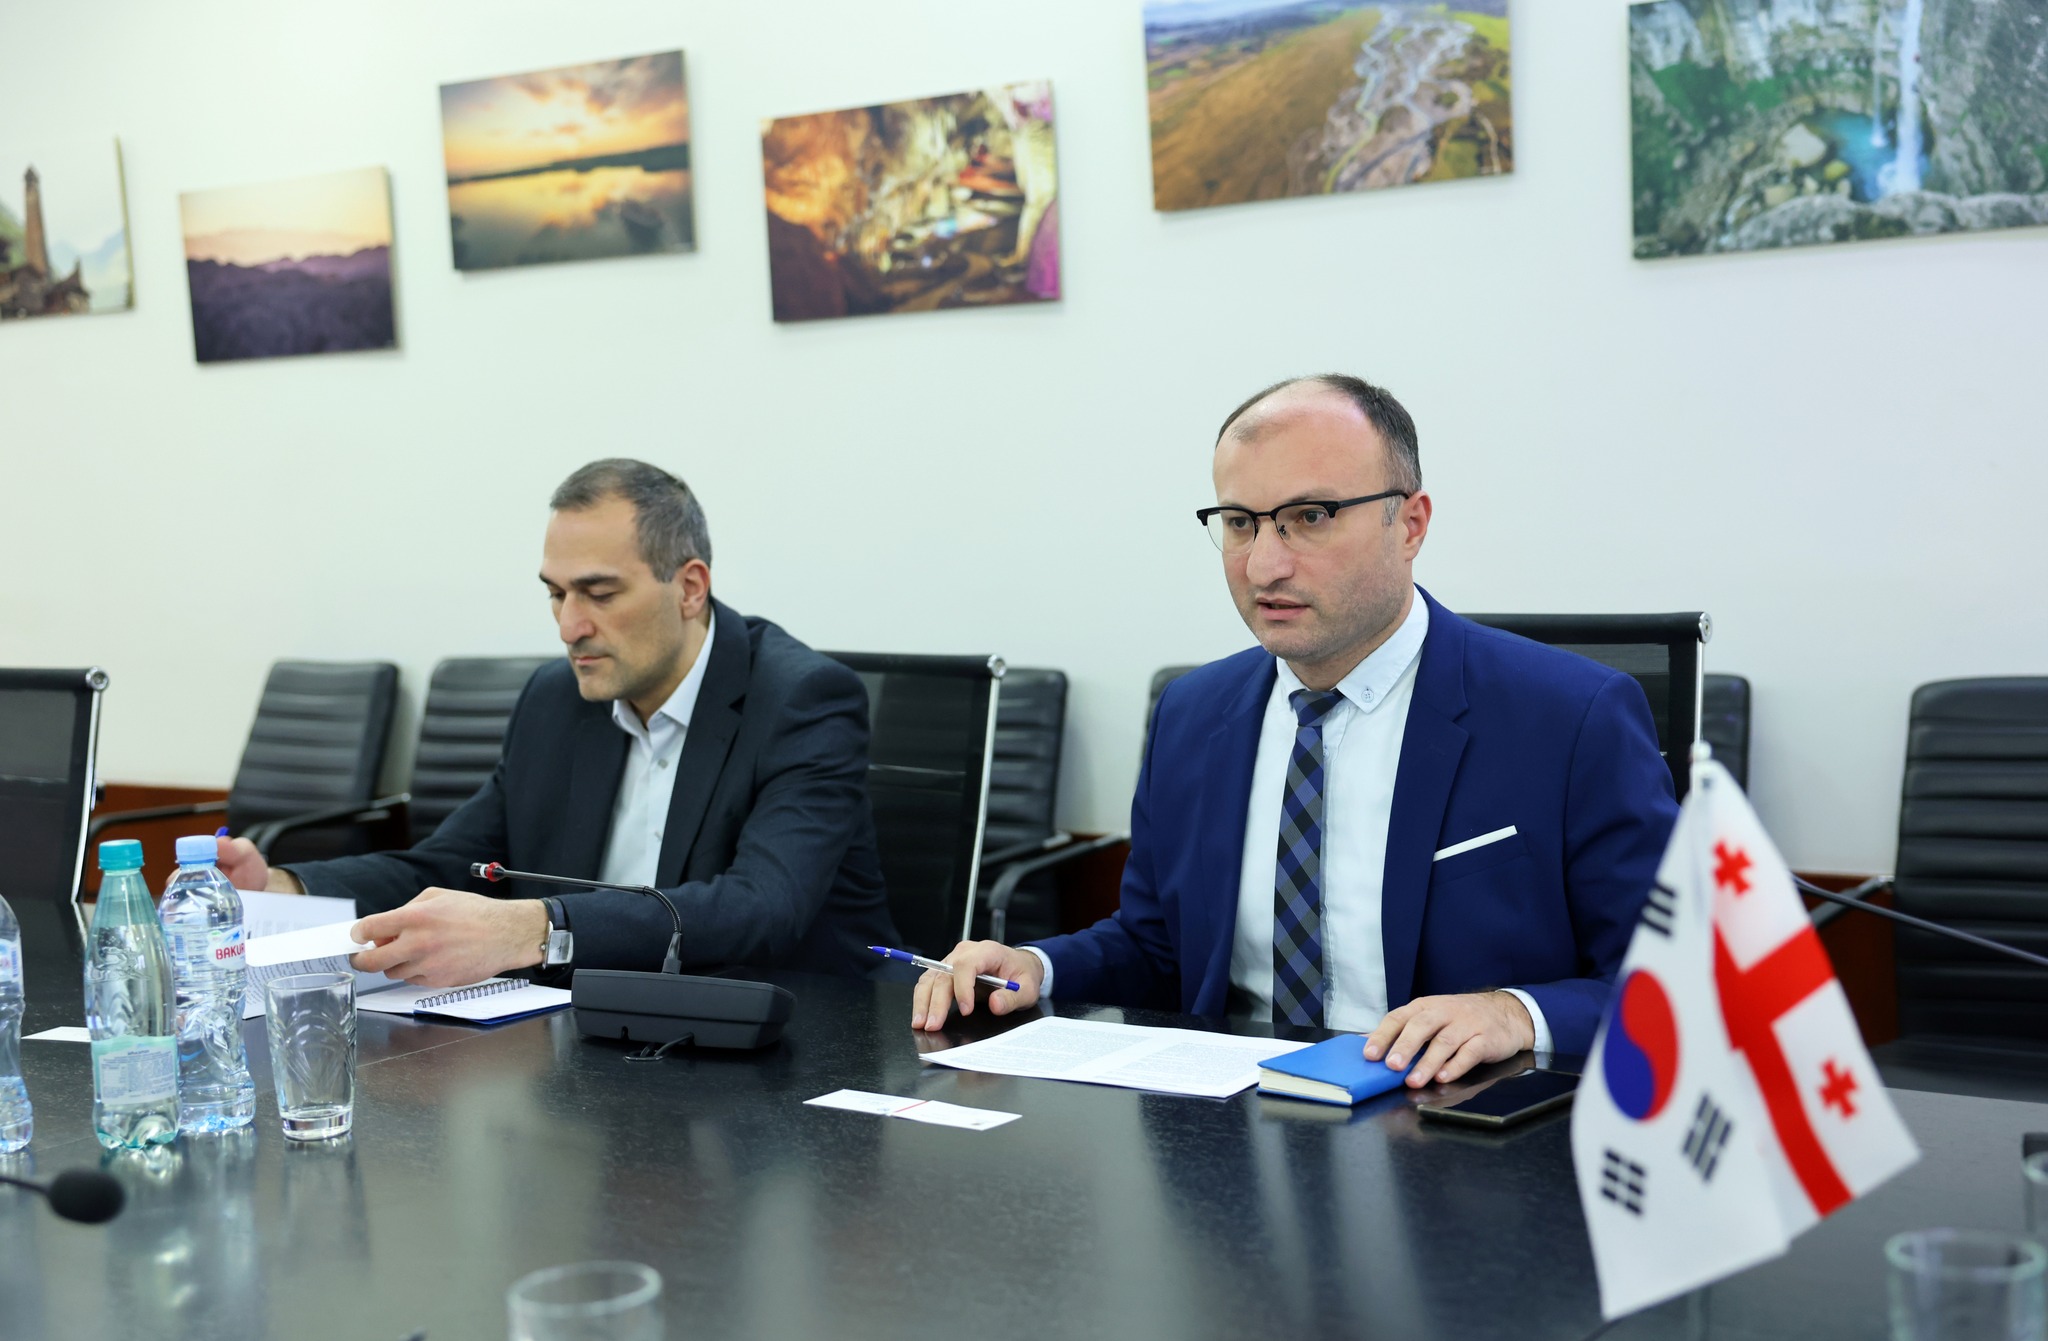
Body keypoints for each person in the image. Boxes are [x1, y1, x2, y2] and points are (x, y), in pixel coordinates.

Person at [913, 375, 1678, 1088]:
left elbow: (1674, 984)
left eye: (1309, 517)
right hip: (1231, 1129)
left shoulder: (1570, 716)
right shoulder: (1192, 714)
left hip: (1455, 1126)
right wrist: (1037, 966)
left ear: (1410, 524)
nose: (1264, 565)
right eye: (1240, 523)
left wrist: (1516, 1013)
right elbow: (1157, 945)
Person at [218, 459, 898, 988]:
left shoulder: (802, 699)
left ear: (690, 588)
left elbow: (762, 907)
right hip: (596, 1036)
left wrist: (534, 929)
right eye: (556, 593)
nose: (570, 626)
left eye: (599, 594)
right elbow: (456, 864)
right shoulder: (557, 699)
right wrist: (284, 890)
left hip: (790, 1042)